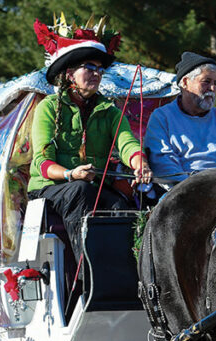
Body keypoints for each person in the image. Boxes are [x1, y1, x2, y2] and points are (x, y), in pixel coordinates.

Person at [27, 17, 152, 246]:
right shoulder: (48, 107)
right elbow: (42, 162)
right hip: (50, 189)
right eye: (90, 67)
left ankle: (125, 276)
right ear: (70, 73)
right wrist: (70, 174)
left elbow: (127, 143)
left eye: (100, 69)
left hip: (89, 188)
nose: (97, 73)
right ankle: (87, 274)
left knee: (121, 207)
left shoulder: (110, 111)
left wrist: (139, 163)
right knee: (80, 190)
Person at [143, 52, 216, 183]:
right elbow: (164, 164)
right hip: (182, 193)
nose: (212, 88)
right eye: (206, 82)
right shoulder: (162, 118)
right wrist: (194, 190)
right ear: (186, 82)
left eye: (215, 83)